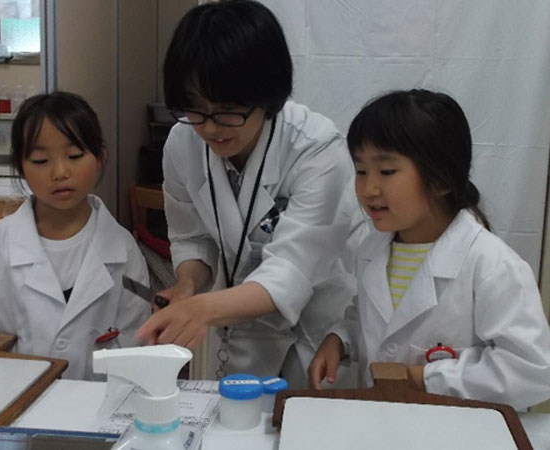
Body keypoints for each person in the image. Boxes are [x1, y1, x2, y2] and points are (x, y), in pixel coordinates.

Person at [136, 0, 365, 386]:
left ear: (268, 97)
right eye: (196, 109)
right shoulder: (182, 145)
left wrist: (202, 309)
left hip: (317, 332)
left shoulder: (317, 150)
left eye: (228, 110)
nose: (211, 128)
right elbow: (193, 238)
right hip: (241, 331)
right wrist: (187, 286)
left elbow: (290, 272)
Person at [308, 89, 550, 410]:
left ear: (441, 179)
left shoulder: (492, 264)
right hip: (380, 419)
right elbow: (369, 315)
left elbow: (532, 370)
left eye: (386, 171)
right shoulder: (372, 248)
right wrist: (340, 340)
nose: (368, 188)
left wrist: (425, 378)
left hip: (456, 428)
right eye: (361, 170)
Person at [0, 91, 152, 380]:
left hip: (100, 403)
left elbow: (137, 348)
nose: (60, 172)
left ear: (100, 158)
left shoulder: (123, 250)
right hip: (13, 401)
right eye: (41, 160)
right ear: (20, 166)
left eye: (74, 156)